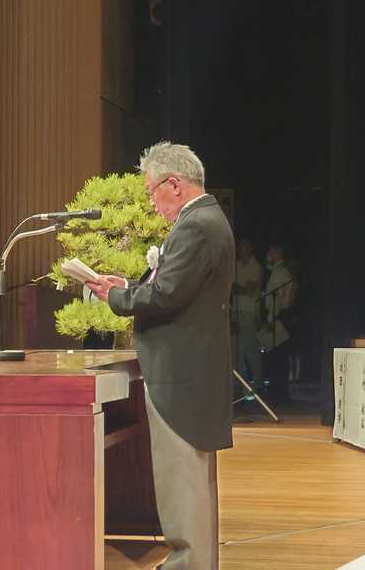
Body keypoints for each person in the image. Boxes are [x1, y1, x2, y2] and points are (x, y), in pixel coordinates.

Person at [86, 141, 233, 570]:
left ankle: (188, 565)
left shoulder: (195, 225)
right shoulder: (207, 219)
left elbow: (166, 295)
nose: (151, 202)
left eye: (152, 191)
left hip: (180, 375)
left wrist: (116, 297)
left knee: (182, 480)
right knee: (191, 482)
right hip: (192, 372)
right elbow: (172, 288)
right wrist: (129, 286)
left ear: (174, 184)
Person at [259, 242, 295, 400]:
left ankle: (278, 391)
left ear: (278, 252)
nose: (268, 254)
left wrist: (271, 318)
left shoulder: (280, 272)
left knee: (278, 355)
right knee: (278, 354)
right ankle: (279, 389)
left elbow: (278, 299)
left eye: (271, 251)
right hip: (279, 315)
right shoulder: (278, 270)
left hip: (279, 316)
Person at [233, 238, 264, 392]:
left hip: (250, 311)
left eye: (244, 246)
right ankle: (241, 385)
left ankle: (258, 384)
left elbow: (250, 289)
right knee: (237, 350)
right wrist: (241, 288)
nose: (241, 249)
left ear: (251, 248)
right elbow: (231, 287)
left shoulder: (256, 266)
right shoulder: (235, 265)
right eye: (240, 246)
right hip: (235, 310)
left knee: (251, 349)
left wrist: (239, 288)